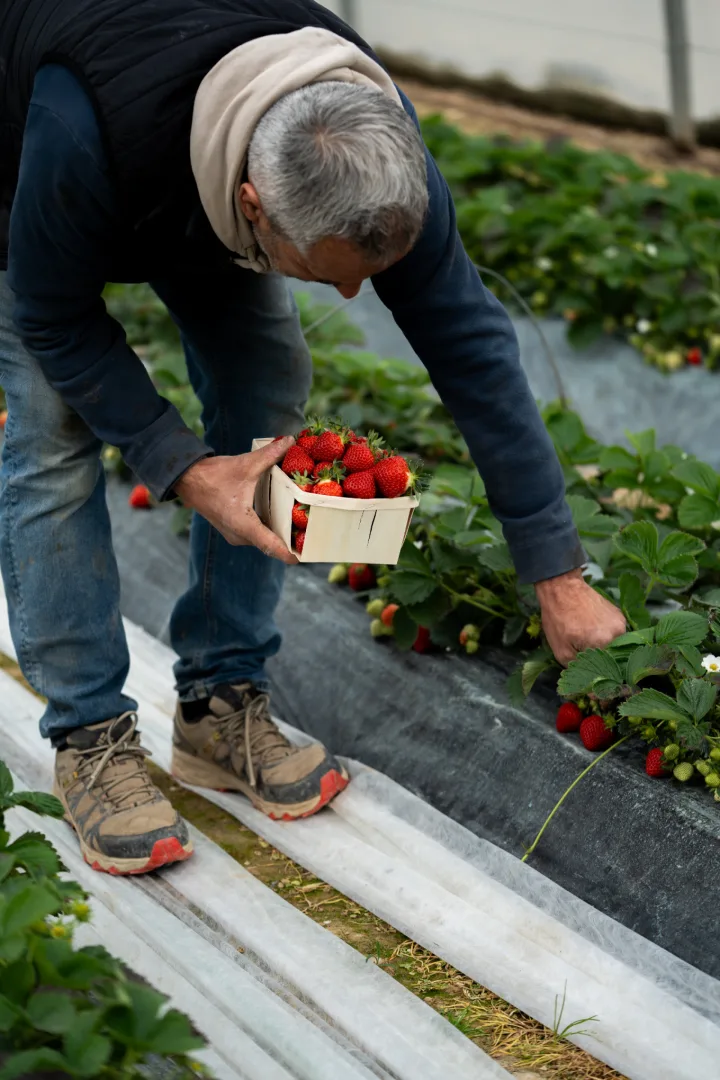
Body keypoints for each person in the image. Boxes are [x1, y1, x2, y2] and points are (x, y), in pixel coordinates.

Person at [0, 0, 625, 876]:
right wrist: (180, 467)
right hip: (41, 165)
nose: (349, 300)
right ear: (252, 206)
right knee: (54, 428)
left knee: (267, 378)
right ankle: (91, 736)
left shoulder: (367, 136)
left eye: (366, 277)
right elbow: (55, 317)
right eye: (324, 273)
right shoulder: (81, 126)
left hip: (189, 156)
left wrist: (555, 570)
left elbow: (472, 346)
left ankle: (219, 701)